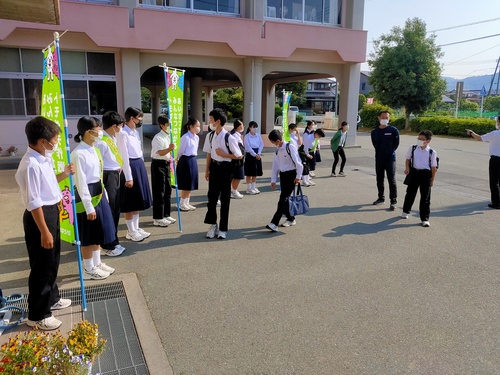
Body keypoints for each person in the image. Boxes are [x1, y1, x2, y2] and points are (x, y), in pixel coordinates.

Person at [15, 116, 74, 331]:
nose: (56, 144)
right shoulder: (30, 165)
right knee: (41, 266)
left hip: (52, 211)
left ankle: (52, 298)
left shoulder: (43, 158)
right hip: (39, 217)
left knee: (52, 262)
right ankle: (37, 315)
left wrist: (64, 174)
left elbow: (49, 183)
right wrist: (44, 231)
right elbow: (34, 201)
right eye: (54, 140)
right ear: (42, 141)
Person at [71, 116, 117, 281]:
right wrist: (89, 207)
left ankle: (97, 263)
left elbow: (99, 175)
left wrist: (104, 193)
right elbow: (81, 183)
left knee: (99, 230)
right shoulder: (78, 154)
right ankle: (88, 268)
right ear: (86, 132)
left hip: (98, 192)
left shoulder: (95, 149)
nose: (100, 131)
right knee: (88, 234)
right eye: (97, 128)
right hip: (86, 196)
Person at [203, 108, 242, 239]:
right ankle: (213, 225)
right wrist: (207, 169)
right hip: (214, 167)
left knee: (225, 199)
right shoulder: (210, 136)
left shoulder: (229, 137)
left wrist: (224, 154)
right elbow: (209, 153)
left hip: (226, 169)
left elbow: (239, 156)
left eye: (211, 120)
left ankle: (223, 228)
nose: (209, 122)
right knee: (212, 198)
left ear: (218, 121)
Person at [95, 111, 127, 256]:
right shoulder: (102, 142)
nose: (121, 128)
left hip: (115, 174)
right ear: (114, 126)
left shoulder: (111, 139)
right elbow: (99, 165)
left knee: (115, 209)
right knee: (109, 209)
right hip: (107, 176)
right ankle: (107, 243)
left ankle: (113, 239)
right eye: (120, 125)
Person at [119, 107, 152, 241]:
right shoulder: (123, 134)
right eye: (139, 118)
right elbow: (124, 156)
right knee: (129, 201)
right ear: (131, 118)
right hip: (130, 166)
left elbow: (138, 150)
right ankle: (130, 230)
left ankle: (136, 228)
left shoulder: (135, 133)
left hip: (138, 165)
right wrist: (128, 176)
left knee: (138, 199)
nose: (140, 121)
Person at [266, 129, 303, 232]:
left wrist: (298, 177)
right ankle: (291, 218)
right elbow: (275, 165)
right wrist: (273, 179)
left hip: (292, 175)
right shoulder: (277, 150)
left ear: (278, 140)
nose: (273, 144)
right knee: (285, 199)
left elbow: (299, 163)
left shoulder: (289, 147)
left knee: (282, 199)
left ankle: (274, 223)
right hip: (283, 176)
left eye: (273, 142)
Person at [400, 131, 438, 227]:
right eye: (419, 138)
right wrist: (407, 168)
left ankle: (425, 218)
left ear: (428, 141)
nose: (420, 141)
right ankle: (405, 211)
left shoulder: (431, 152)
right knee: (410, 193)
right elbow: (408, 159)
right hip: (414, 173)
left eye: (422, 139)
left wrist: (432, 180)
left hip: (426, 175)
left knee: (425, 197)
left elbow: (434, 167)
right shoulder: (413, 148)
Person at [466, 116, 500, 209]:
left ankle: (496, 203)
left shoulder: (495, 133)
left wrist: (471, 133)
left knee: (494, 181)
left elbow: (480, 138)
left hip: (496, 159)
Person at [150, 114, 176, 225]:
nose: (169, 126)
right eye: (167, 124)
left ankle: (166, 214)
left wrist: (172, 157)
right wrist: (169, 149)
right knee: (159, 191)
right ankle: (158, 217)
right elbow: (160, 152)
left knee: (167, 190)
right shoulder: (158, 137)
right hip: (158, 164)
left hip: (166, 164)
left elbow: (168, 153)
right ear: (162, 125)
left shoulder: (168, 136)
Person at [371, 110, 400, 210]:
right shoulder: (374, 132)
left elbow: (396, 144)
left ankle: (393, 201)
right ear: (378, 118)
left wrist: (389, 151)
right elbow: (375, 144)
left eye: (387, 118)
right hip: (379, 158)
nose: (385, 119)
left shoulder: (393, 130)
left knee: (391, 179)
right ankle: (381, 198)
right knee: (379, 179)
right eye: (383, 117)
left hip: (390, 159)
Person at [177, 117, 201, 211]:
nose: (198, 128)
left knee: (191, 182)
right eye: (197, 126)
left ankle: (187, 202)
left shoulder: (197, 137)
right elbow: (180, 151)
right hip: (185, 160)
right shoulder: (185, 137)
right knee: (186, 183)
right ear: (191, 126)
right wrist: (178, 159)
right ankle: (182, 203)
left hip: (193, 159)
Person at [243, 121, 264, 195]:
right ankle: (248, 188)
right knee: (249, 173)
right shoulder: (247, 136)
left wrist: (259, 153)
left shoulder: (258, 135)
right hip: (250, 155)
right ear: (249, 128)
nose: (254, 128)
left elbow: (261, 144)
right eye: (253, 127)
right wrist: (255, 154)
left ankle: (253, 187)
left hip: (257, 153)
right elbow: (248, 147)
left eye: (255, 127)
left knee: (255, 172)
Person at [230, 119, 245, 199]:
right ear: (239, 126)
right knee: (237, 176)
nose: (243, 127)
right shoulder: (234, 136)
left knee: (237, 176)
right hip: (237, 159)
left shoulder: (237, 135)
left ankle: (234, 190)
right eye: (242, 125)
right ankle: (234, 191)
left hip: (240, 158)